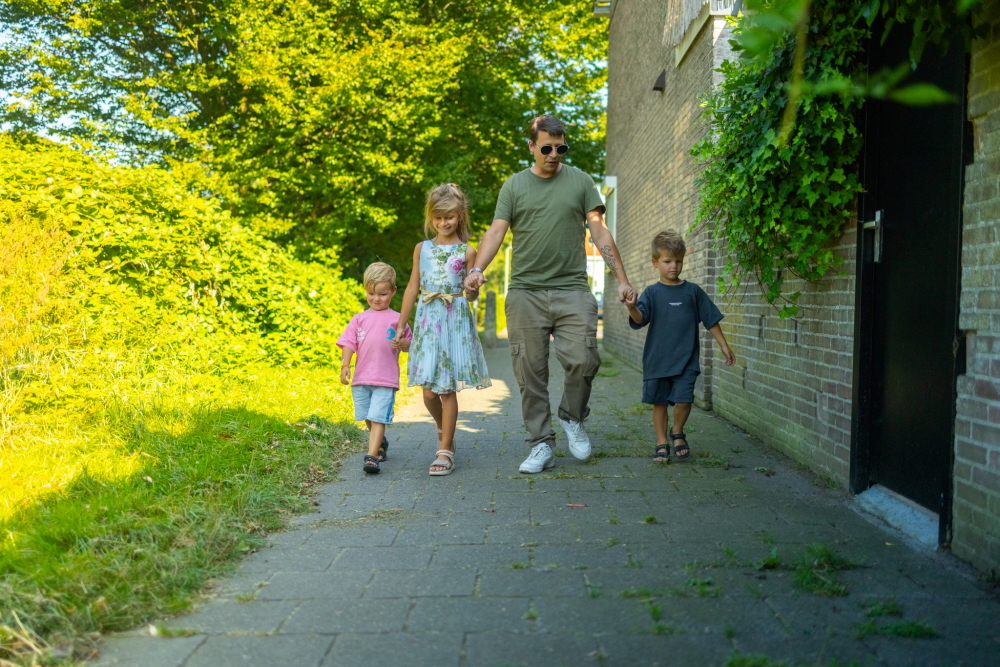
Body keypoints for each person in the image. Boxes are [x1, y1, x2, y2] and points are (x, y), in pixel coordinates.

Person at [464, 115, 635, 474]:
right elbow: (496, 232)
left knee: (585, 360)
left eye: (561, 147)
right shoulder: (514, 186)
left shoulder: (581, 182)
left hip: (572, 288)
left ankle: (572, 416)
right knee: (530, 373)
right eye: (546, 148)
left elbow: (600, 231)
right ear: (531, 147)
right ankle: (541, 443)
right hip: (526, 291)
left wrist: (620, 278)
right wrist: (477, 269)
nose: (554, 154)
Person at [394, 183, 491, 476]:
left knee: (447, 389)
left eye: (448, 217)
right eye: (437, 217)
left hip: (454, 321)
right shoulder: (421, 249)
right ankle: (442, 429)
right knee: (427, 392)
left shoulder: (468, 252)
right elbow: (412, 286)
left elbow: (471, 295)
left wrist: (474, 287)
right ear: (431, 217)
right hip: (427, 321)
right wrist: (401, 324)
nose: (443, 222)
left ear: (459, 217)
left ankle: (445, 449)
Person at [624, 231, 736, 462]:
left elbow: (710, 319)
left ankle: (678, 431)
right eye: (667, 261)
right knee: (660, 402)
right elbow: (639, 319)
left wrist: (724, 346)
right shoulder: (652, 292)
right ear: (655, 263)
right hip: (658, 359)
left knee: (685, 399)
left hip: (686, 358)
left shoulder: (692, 291)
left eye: (678, 261)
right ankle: (661, 441)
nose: (673, 266)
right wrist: (631, 307)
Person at [338, 262, 411, 474]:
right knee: (368, 416)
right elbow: (348, 343)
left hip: (385, 378)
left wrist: (403, 344)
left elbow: (410, 343)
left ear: (393, 292)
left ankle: (371, 457)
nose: (376, 299)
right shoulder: (359, 319)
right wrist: (345, 365)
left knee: (378, 416)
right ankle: (379, 444)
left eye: (382, 294)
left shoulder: (398, 319)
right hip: (362, 377)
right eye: (371, 293)